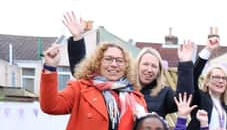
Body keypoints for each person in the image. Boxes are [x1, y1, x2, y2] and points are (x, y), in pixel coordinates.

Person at [63, 11, 194, 118]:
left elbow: (184, 99)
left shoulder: (163, 93)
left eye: (154, 66)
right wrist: (78, 38)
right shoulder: (119, 85)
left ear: (159, 71)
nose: (149, 69)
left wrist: (186, 62)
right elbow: (82, 73)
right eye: (145, 64)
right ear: (136, 66)